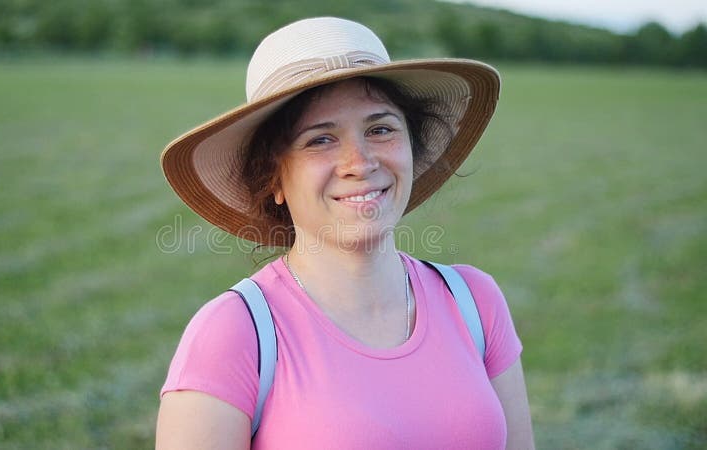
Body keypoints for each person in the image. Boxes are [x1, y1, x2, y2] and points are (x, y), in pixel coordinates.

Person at [156, 17, 534, 450]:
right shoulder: (233, 334)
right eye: (320, 140)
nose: (360, 162)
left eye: (380, 129)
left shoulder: (474, 302)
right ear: (274, 178)